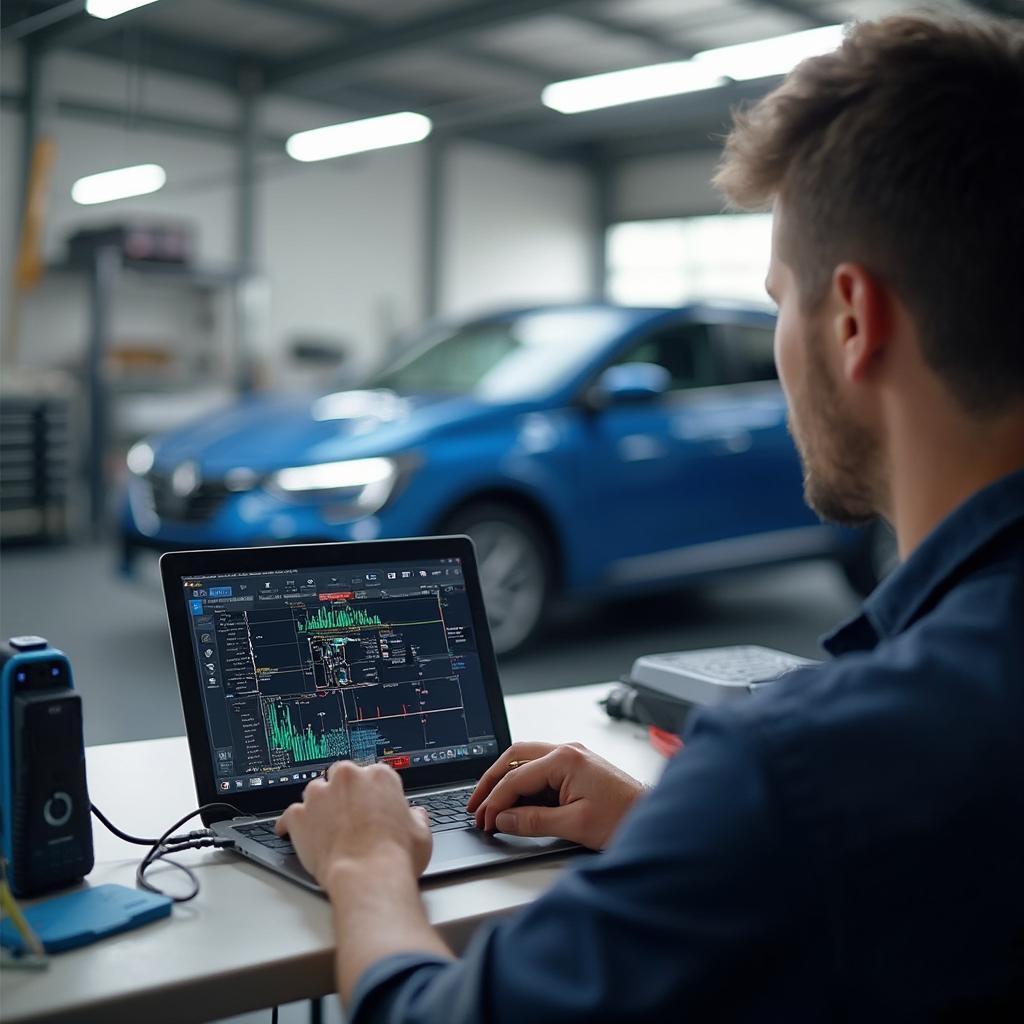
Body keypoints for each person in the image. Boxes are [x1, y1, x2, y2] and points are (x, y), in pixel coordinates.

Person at [277, 14, 1024, 1021]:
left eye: (778, 303)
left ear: (851, 321)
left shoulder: (809, 764)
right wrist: (678, 831)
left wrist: (367, 862)